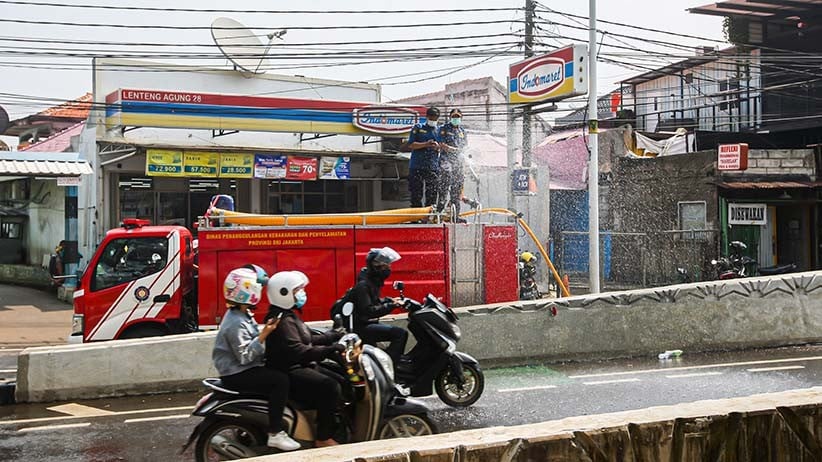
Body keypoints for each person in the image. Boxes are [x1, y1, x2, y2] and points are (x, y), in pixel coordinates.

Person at [211, 265, 301, 451]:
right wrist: (264, 334)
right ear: (247, 290)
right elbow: (245, 356)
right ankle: (275, 433)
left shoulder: (241, 314)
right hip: (237, 373)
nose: (260, 290)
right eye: (257, 287)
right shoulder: (234, 322)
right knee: (280, 381)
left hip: (241, 369)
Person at [264, 271, 345, 448]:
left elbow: (308, 338)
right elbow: (299, 350)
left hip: (299, 364)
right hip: (290, 369)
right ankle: (323, 437)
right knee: (330, 386)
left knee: (342, 378)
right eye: (298, 290)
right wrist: (329, 349)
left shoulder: (288, 315)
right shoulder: (281, 321)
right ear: (283, 293)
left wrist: (333, 336)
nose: (302, 293)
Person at [349, 247, 408, 365]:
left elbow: (373, 301)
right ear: (376, 266)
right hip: (362, 327)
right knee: (400, 334)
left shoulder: (371, 282)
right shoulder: (363, 286)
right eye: (386, 266)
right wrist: (392, 305)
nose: (389, 268)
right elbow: (368, 310)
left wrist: (388, 300)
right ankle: (390, 365)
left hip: (367, 323)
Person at [406, 107, 442, 208]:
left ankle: (430, 217)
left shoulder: (439, 130)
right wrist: (426, 144)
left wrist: (437, 147)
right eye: (431, 117)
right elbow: (411, 144)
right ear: (427, 117)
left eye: (435, 118)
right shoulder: (418, 127)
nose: (433, 120)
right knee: (416, 194)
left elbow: (442, 146)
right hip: (416, 166)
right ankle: (416, 218)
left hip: (433, 167)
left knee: (432, 194)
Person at [437, 108, 468, 216]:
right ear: (450, 117)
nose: (456, 119)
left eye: (458, 117)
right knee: (445, 184)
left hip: (458, 162)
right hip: (446, 161)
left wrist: (456, 150)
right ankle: (439, 210)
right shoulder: (444, 129)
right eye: (454, 117)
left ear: (461, 118)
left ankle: (456, 215)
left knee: (457, 188)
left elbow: (464, 147)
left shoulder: (462, 131)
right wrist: (453, 149)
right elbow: (442, 145)